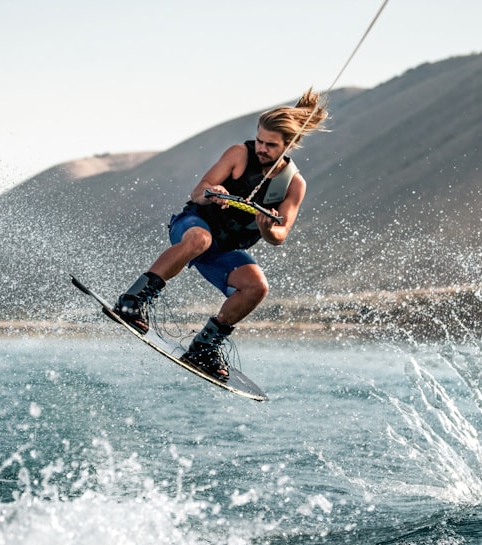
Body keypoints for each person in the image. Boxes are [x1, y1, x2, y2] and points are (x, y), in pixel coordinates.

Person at [114, 90, 329, 380]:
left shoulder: (294, 185)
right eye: (260, 140)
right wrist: (213, 193)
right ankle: (133, 300)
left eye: (270, 145)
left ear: (288, 144)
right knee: (200, 240)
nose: (261, 148)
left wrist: (267, 227)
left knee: (256, 287)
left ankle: (204, 346)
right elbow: (198, 191)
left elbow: (280, 234)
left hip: (224, 248)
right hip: (193, 225)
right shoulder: (239, 154)